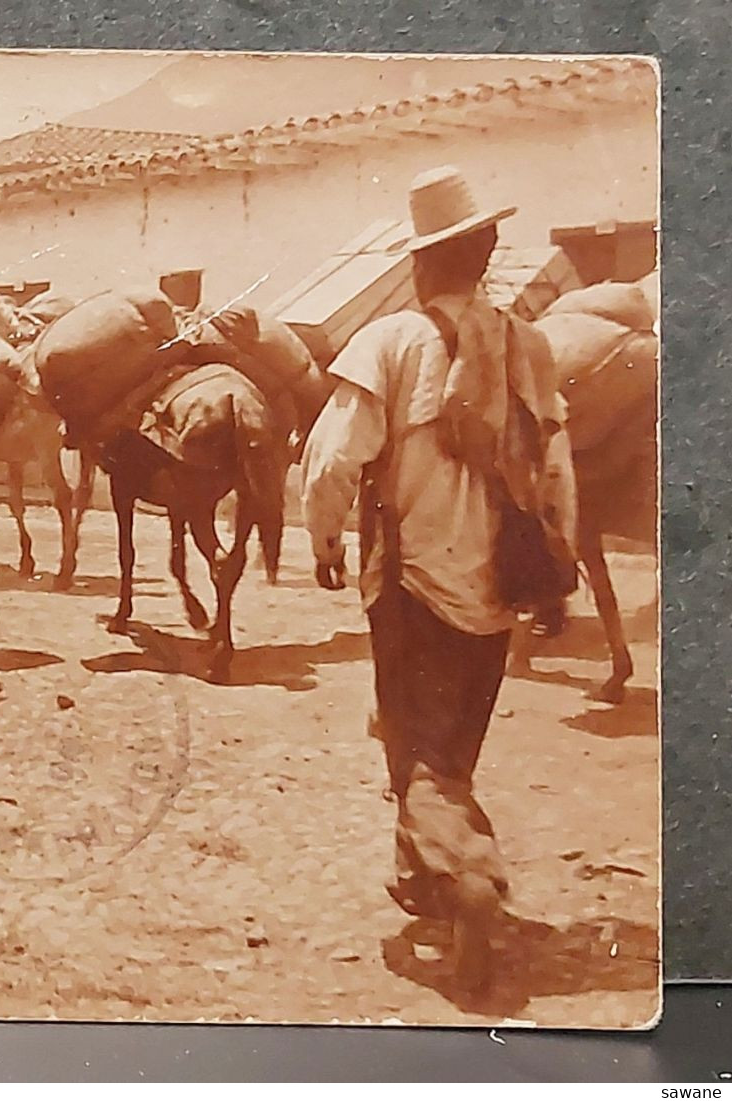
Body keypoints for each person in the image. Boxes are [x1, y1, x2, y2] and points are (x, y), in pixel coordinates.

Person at [300, 166, 578, 992]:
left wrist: (322, 538)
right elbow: (555, 469)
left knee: (414, 745)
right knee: (454, 742)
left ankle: (468, 877)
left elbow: (332, 458)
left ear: (421, 264)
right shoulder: (527, 345)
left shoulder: (388, 343)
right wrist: (556, 569)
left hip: (411, 579)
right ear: (487, 252)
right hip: (499, 587)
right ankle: (424, 872)